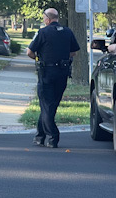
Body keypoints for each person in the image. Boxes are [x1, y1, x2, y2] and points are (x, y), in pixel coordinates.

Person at [27, 8, 80, 148]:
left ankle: (53, 137)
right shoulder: (68, 32)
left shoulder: (43, 32)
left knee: (46, 106)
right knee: (50, 106)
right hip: (62, 73)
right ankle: (40, 136)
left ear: (47, 19)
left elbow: (29, 52)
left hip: (46, 73)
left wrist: (39, 58)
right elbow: (73, 52)